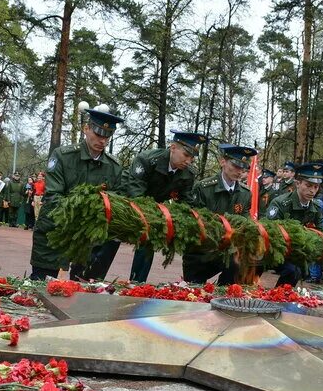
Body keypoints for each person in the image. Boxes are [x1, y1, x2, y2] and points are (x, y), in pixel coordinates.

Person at [30, 108, 124, 281]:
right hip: (54, 229)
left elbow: (115, 203)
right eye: (98, 133)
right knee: (40, 285)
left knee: (84, 291)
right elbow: (53, 197)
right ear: (86, 129)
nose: (102, 140)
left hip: (89, 238)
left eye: (107, 136)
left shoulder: (114, 167)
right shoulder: (63, 156)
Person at [122, 130, 207, 282]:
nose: (189, 161)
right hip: (125, 202)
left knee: (148, 239)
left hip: (154, 210)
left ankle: (137, 284)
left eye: (192, 157)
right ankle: (91, 278)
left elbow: (186, 202)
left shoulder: (187, 174)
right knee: (108, 241)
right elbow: (136, 194)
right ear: (173, 147)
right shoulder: (147, 160)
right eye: (186, 155)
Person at [182, 144, 255, 285]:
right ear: (223, 162)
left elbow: (246, 224)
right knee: (193, 294)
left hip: (226, 252)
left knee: (241, 260)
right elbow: (196, 224)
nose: (240, 171)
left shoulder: (245, 194)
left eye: (243, 168)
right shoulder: (203, 188)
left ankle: (222, 292)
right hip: (200, 253)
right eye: (235, 166)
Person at [265, 163, 323, 286]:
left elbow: (322, 233)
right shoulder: (281, 203)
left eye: (316, 187)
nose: (312, 190)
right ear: (297, 183)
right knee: (291, 270)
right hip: (274, 251)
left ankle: (280, 297)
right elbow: (270, 232)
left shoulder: (316, 207)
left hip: (296, 253)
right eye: (308, 185)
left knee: (300, 270)